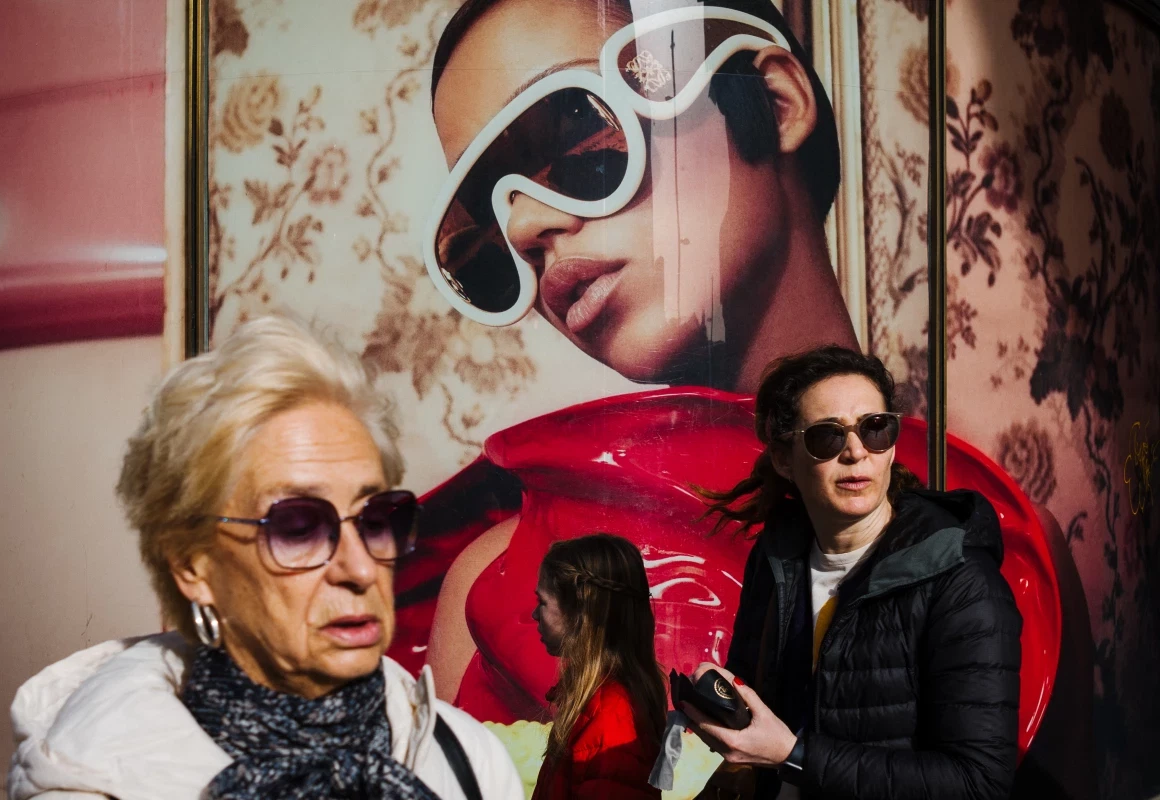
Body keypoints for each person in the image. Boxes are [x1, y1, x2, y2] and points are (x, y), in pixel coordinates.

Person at [392, 0, 1070, 773]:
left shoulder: (1011, 555)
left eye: (577, 135)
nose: (522, 229)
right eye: (484, 217)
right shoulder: (493, 584)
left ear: (776, 103)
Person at [7, 315, 523, 800]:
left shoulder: (470, 761)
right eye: (297, 529)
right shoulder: (95, 786)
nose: (361, 569)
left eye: (374, 521)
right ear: (192, 565)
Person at [683, 346, 1021, 799]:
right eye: (827, 436)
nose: (857, 451)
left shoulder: (960, 580)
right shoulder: (776, 559)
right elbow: (755, 703)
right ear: (784, 459)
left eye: (875, 428)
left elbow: (979, 783)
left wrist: (794, 755)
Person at [531, 533, 667, 799]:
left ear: (580, 611)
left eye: (542, 602)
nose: (535, 614)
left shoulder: (611, 716)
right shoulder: (597, 704)